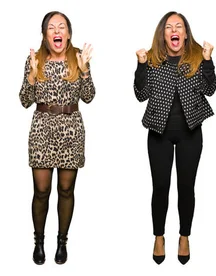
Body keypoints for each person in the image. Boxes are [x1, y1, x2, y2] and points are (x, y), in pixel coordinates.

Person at [134, 11, 216, 265]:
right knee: (160, 188)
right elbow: (141, 94)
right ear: (164, 34)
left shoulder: (196, 57)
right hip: (159, 133)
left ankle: (184, 236)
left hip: (190, 133)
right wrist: (140, 65)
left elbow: (210, 89)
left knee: (185, 187)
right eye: (169, 27)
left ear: (185, 33)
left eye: (179, 26)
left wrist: (208, 61)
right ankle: (159, 236)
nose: (174, 30)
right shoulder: (153, 60)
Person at [19, 11, 95, 265]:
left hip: (71, 130)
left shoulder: (77, 59)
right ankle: (39, 241)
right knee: (41, 191)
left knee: (66, 189)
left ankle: (62, 241)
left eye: (62, 27)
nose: (57, 31)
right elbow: (24, 100)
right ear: (44, 34)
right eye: (51, 27)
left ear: (69, 34)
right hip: (42, 129)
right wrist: (31, 73)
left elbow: (89, 96)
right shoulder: (35, 59)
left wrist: (84, 71)